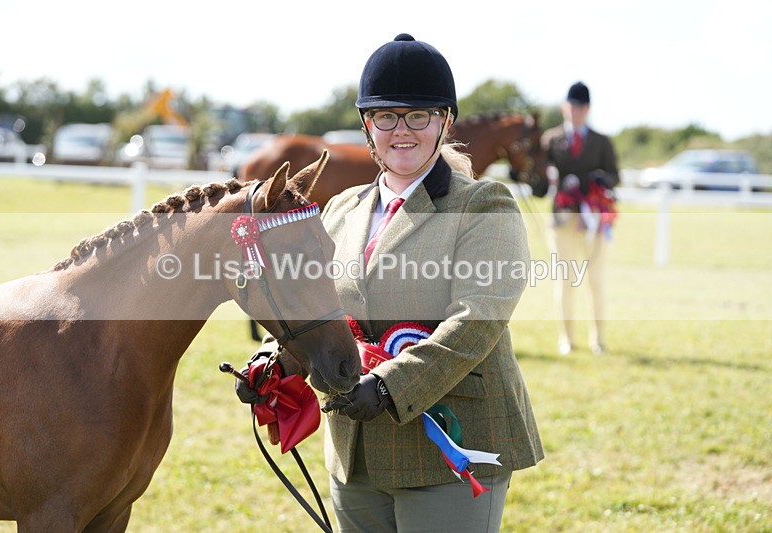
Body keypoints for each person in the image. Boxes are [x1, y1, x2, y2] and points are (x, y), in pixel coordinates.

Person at [238, 33, 543, 532]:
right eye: (386, 116)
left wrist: (388, 385)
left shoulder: (483, 204)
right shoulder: (341, 208)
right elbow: (319, 307)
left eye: (418, 116)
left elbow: (478, 319)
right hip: (354, 451)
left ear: (445, 122)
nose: (401, 130)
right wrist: (273, 362)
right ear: (367, 125)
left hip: (450, 451)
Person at [540, 81, 620, 356]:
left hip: (593, 219)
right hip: (562, 219)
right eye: (572, 106)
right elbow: (540, 176)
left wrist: (599, 180)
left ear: (588, 109)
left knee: (595, 280)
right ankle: (566, 338)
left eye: (581, 107)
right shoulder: (551, 139)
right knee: (565, 280)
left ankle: (598, 339)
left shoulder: (601, 141)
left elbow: (615, 175)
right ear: (565, 107)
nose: (576, 111)